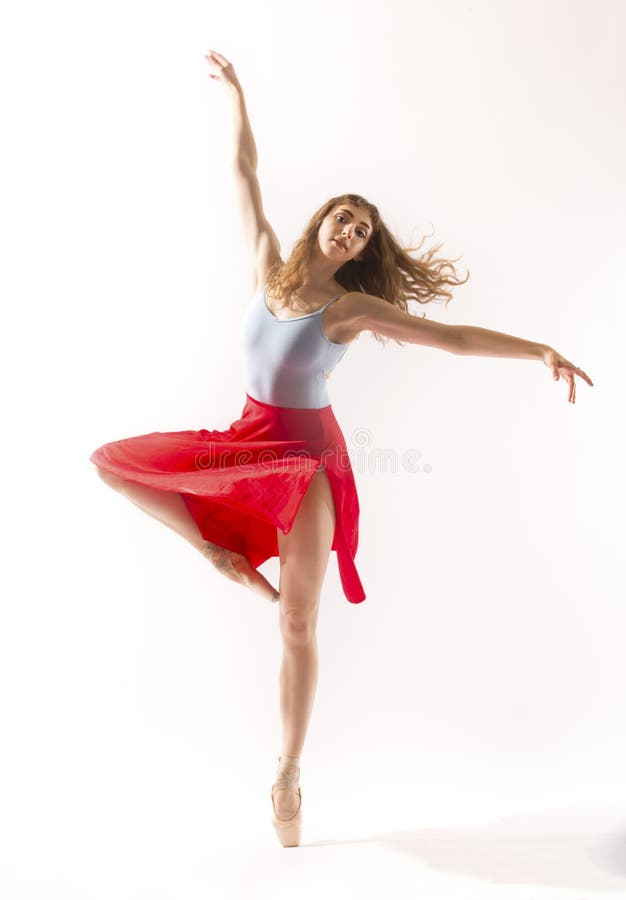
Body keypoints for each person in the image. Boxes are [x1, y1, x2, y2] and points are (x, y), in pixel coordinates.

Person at [90, 49, 594, 848]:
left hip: (311, 460)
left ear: (360, 249)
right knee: (113, 462)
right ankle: (219, 553)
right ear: (321, 220)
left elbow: (453, 339)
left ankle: (287, 771)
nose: (351, 229)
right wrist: (238, 97)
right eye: (344, 215)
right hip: (250, 439)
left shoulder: (350, 308)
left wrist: (539, 350)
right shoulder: (265, 265)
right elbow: (244, 172)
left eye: (363, 228)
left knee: (297, 620)